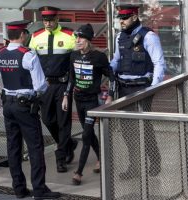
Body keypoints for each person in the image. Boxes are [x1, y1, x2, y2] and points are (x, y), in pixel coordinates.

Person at [0, 20, 61, 199]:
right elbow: (40, 85)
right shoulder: (28, 54)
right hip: (24, 105)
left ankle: (19, 188)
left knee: (13, 146)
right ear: (23, 35)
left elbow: (1, 76)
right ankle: (39, 190)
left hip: (7, 103)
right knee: (35, 147)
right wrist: (45, 86)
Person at [110, 4, 165, 179]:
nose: (121, 21)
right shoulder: (120, 37)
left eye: (124, 18)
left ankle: (155, 160)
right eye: (120, 18)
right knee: (127, 130)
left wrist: (153, 88)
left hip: (142, 88)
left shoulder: (148, 36)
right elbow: (116, 61)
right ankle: (135, 166)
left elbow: (159, 63)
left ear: (134, 17)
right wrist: (106, 71)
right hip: (124, 87)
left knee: (144, 126)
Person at [61, 24, 115, 185]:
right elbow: (71, 78)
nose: (77, 41)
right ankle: (101, 158)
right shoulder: (73, 55)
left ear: (89, 40)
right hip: (79, 99)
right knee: (89, 134)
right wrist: (66, 96)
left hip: (92, 101)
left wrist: (110, 96)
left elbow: (112, 77)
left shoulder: (99, 57)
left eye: (81, 38)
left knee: (85, 135)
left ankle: (79, 173)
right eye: (76, 38)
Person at [29, 6, 78, 173]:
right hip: (45, 85)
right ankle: (69, 144)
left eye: (51, 19)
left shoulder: (70, 35)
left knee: (64, 122)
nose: (48, 23)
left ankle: (61, 157)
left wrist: (72, 86)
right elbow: (31, 62)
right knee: (48, 120)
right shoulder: (35, 37)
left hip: (63, 84)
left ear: (57, 19)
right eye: (45, 20)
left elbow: (76, 62)